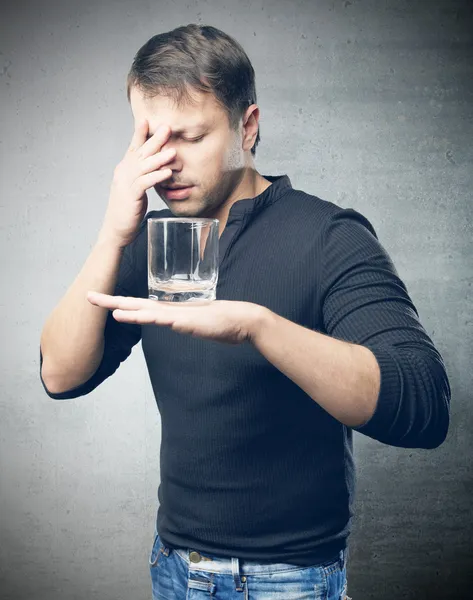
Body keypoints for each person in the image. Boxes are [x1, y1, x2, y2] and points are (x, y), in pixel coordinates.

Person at [39, 24, 451, 600]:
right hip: (175, 568)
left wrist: (258, 327)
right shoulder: (151, 241)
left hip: (293, 580)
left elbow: (425, 406)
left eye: (190, 137)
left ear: (247, 127)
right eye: (151, 140)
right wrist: (112, 233)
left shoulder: (329, 236)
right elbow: (59, 375)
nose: (166, 164)